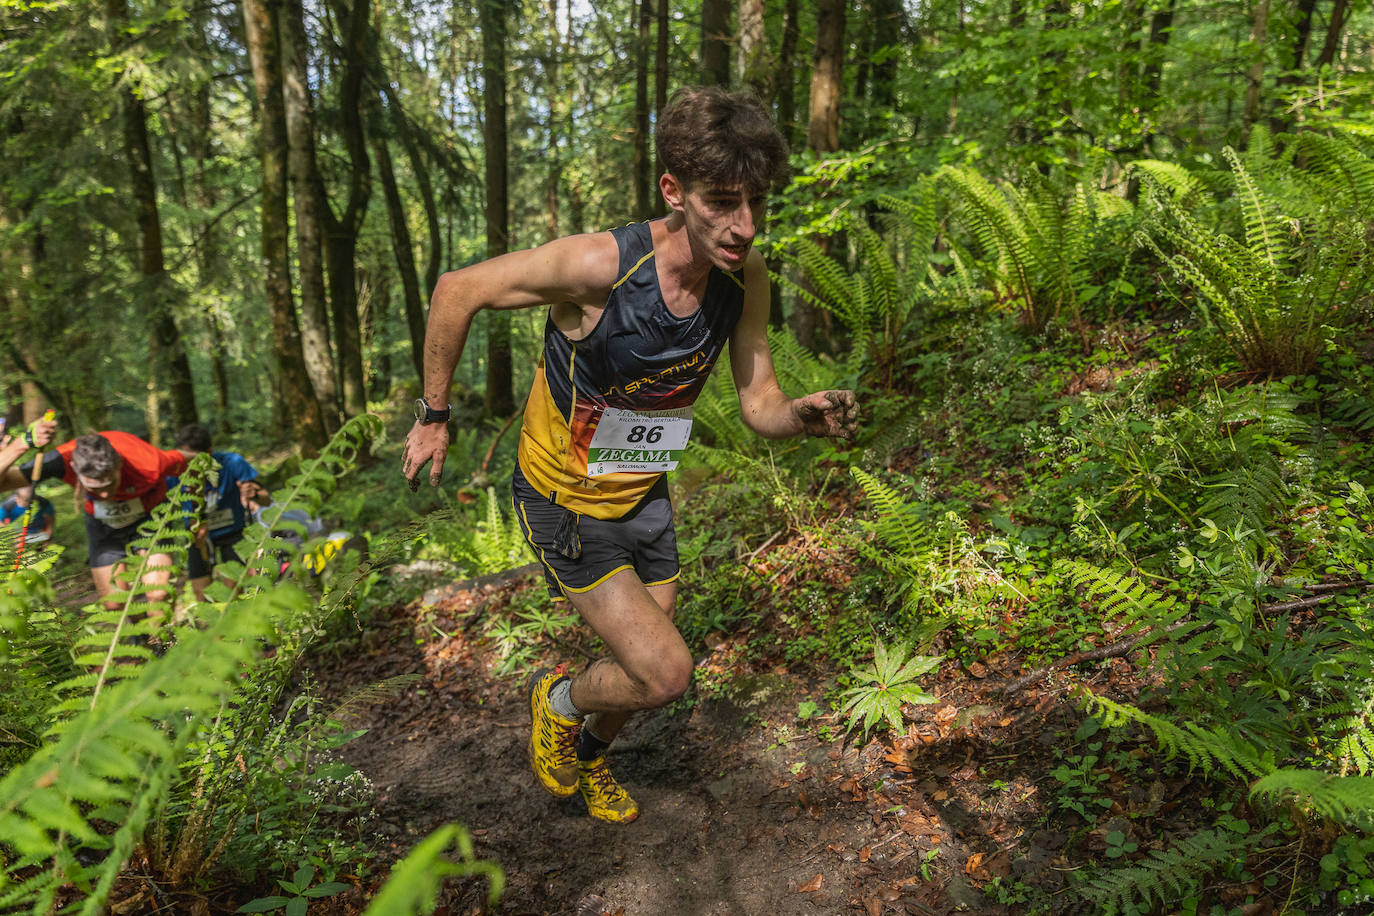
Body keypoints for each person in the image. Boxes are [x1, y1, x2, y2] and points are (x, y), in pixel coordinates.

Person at [401, 86, 859, 824]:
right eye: (722, 202)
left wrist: (801, 416)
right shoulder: (597, 266)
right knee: (666, 673)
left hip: (644, 491)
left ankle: (587, 760)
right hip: (564, 500)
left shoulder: (746, 277)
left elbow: (759, 401)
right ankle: (556, 701)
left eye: (757, 204)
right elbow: (458, 290)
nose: (743, 226)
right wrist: (434, 415)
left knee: (641, 672)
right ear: (673, 191)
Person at [1, 428, 193, 607]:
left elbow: (195, 460)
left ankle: (164, 639)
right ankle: (138, 635)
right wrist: (21, 444)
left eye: (110, 484)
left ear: (120, 464)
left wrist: (197, 516)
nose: (103, 495)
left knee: (158, 593)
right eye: (93, 488)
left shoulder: (150, 462)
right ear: (73, 468)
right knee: (113, 603)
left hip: (151, 520)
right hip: (103, 525)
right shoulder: (62, 459)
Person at [168, 423, 270, 601]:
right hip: (197, 536)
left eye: (192, 459)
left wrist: (254, 493)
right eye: (183, 458)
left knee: (233, 592)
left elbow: (266, 498)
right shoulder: (174, 473)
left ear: (208, 452)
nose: (187, 464)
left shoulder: (232, 463)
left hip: (233, 533)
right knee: (202, 594)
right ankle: (211, 628)